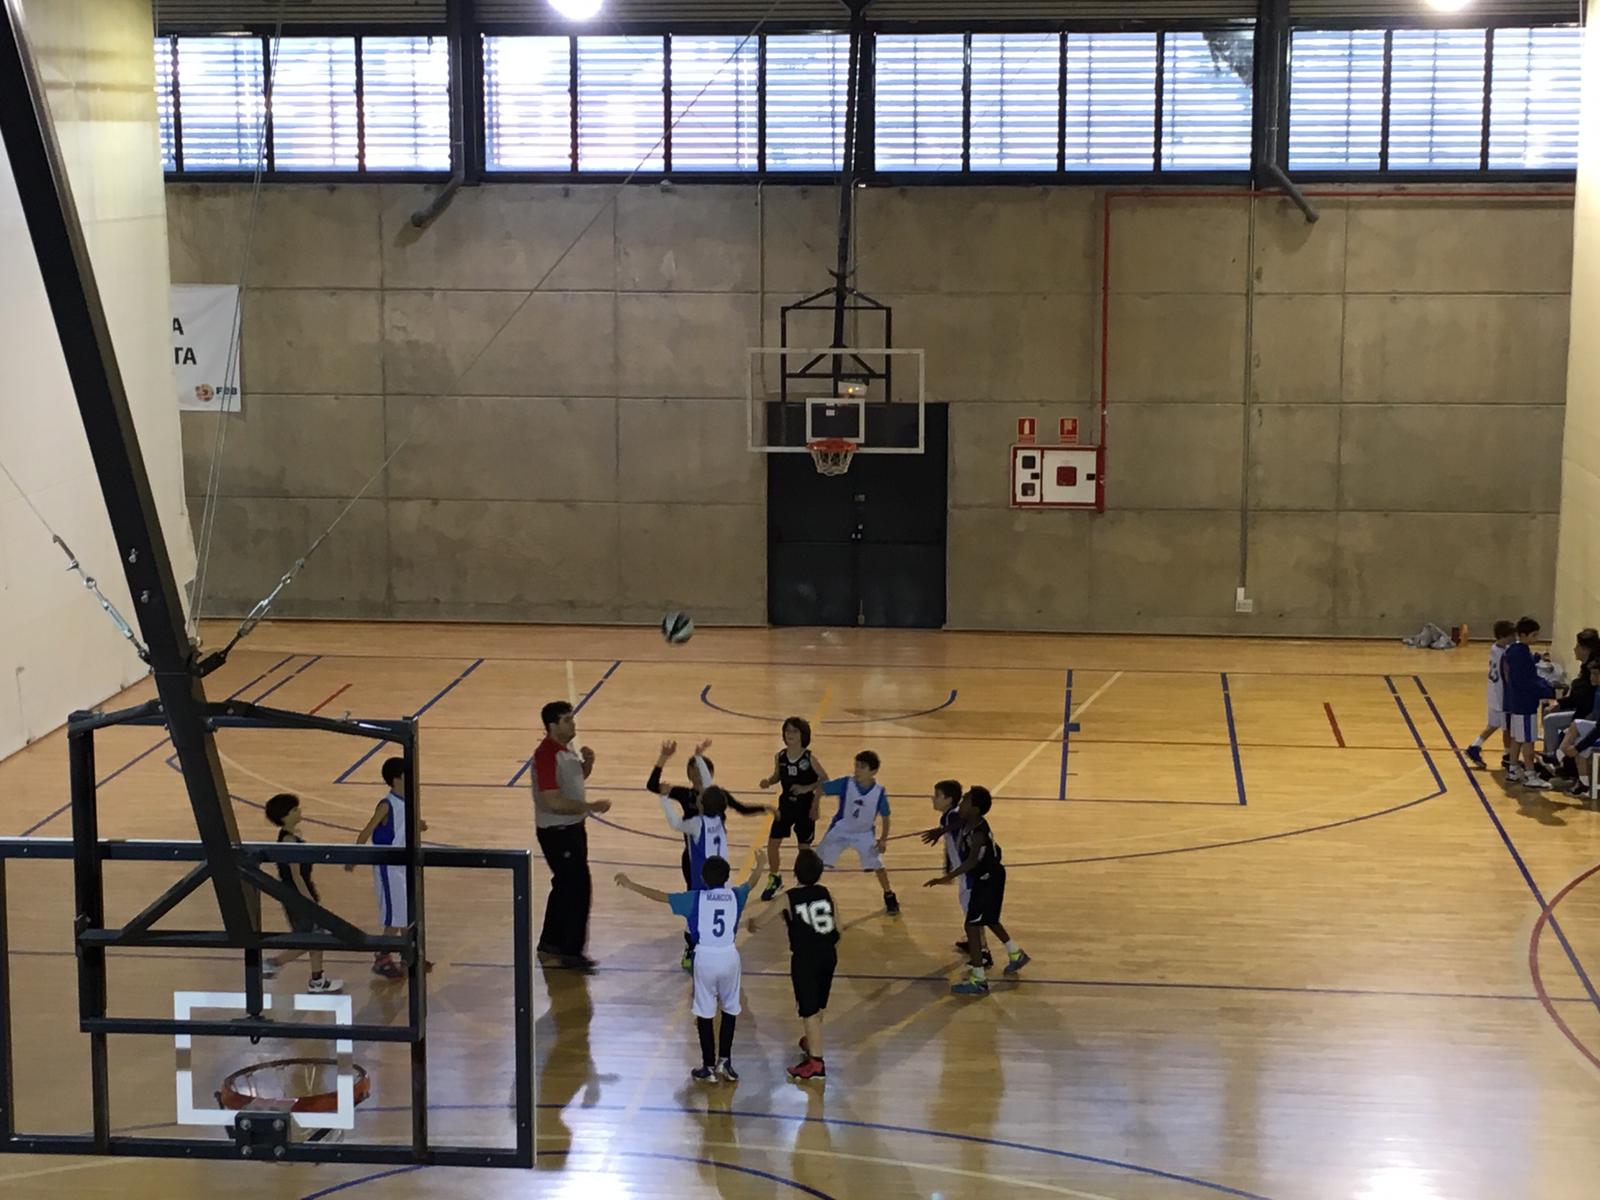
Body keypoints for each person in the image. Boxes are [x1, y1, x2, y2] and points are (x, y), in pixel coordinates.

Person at [615, 852, 764, 1084]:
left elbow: (662, 897)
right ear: (727, 878)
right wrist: (760, 865)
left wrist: (631, 884)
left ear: (703, 878)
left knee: (705, 1012)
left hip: (704, 957)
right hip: (729, 956)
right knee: (730, 1009)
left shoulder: (695, 899)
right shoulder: (736, 895)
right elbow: (751, 883)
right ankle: (725, 1062)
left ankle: (708, 1067)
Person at [925, 786, 1030, 996]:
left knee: (972, 925)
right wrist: (941, 831)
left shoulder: (978, 832)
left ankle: (979, 980)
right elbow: (957, 823)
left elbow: (971, 862)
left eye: (965, 800)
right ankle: (1015, 953)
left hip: (987, 880)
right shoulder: (970, 820)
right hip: (990, 877)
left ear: (974, 809)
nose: (961, 803)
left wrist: (945, 878)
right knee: (989, 919)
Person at [533, 700, 612, 971]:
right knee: (578, 888)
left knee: (564, 885)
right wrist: (589, 807)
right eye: (567, 720)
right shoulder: (546, 755)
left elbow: (572, 783)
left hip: (571, 829)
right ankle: (571, 952)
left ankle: (550, 943)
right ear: (552, 725)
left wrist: (587, 765)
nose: (573, 724)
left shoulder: (564, 751)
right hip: (558, 832)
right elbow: (552, 800)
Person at [749, 848, 839, 1081]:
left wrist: (751, 923)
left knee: (808, 1010)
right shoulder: (826, 892)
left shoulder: (787, 898)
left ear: (795, 872)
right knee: (819, 1005)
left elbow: (760, 922)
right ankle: (812, 1040)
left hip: (805, 958)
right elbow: (838, 926)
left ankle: (816, 1063)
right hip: (828, 954)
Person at [347, 756, 429, 980]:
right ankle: (382, 958)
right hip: (388, 866)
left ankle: (409, 954)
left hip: (402, 863)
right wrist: (353, 856)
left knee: (407, 910)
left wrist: (419, 825)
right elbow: (367, 830)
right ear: (397, 778)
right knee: (395, 917)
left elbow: (405, 826)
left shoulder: (408, 801)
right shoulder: (386, 805)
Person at [262, 792, 342, 994]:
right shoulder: (288, 841)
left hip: (300, 893)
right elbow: (296, 875)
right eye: (294, 809)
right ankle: (273, 964)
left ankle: (317, 980)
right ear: (284, 816)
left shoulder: (292, 836)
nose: (299, 811)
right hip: (297, 896)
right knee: (311, 938)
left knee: (315, 937)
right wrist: (308, 901)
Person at [814, 750, 899, 915]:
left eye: (862, 767)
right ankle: (807, 891)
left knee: (878, 865)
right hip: (840, 829)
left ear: (873, 771)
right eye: (856, 766)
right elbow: (820, 788)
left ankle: (889, 895)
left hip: (864, 834)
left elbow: (886, 816)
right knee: (817, 862)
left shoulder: (879, 792)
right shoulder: (846, 783)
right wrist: (814, 806)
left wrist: (883, 839)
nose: (857, 770)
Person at [918, 779, 990, 968]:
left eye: (937, 795)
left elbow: (961, 822)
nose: (933, 798)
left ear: (949, 799)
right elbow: (949, 843)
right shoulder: (947, 817)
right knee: (970, 912)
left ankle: (983, 951)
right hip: (964, 873)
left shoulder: (954, 816)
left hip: (969, 874)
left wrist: (941, 831)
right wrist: (947, 866)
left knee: (972, 914)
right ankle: (974, 942)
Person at [758, 717, 829, 901]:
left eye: (794, 731)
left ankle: (803, 881)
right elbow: (777, 776)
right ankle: (774, 878)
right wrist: (769, 781)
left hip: (805, 808)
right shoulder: (780, 756)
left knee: (803, 848)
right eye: (787, 731)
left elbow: (824, 779)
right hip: (786, 806)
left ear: (803, 735)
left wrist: (807, 789)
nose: (790, 734)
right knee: (773, 843)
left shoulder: (809, 758)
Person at [1539, 628, 1600, 775]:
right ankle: (1551, 755)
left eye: (1577, 645)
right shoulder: (1586, 667)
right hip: (1581, 711)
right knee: (1549, 715)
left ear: (1585, 649)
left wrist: (1560, 703)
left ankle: (1555, 760)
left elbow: (1583, 700)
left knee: (1551, 721)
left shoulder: (1592, 672)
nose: (1574, 649)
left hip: (1586, 714)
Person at [1503, 617, 1554, 789]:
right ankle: (1531, 774)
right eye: (1534, 635)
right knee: (1528, 740)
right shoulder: (1521, 654)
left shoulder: (1514, 650)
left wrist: (1535, 658)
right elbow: (1528, 680)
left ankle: (1513, 769)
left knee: (1516, 738)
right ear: (1523, 635)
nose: (1537, 638)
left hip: (1516, 702)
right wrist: (1547, 688)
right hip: (1525, 704)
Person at [1464, 620, 1514, 770]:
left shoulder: (1495, 648)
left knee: (1494, 724)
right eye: (1511, 636)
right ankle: (1508, 756)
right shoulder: (1503, 655)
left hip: (1493, 692)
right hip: (1501, 696)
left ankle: (1475, 746)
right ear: (1503, 636)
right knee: (1507, 728)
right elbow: (1507, 674)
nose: (1514, 638)